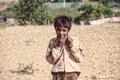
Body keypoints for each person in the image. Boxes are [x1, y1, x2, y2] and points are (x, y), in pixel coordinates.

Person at [46, 15, 85, 80]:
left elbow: (80, 59)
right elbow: (50, 60)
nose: (61, 33)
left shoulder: (74, 40)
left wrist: (71, 46)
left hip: (72, 73)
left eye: (64, 30)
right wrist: (59, 46)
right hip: (58, 73)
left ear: (68, 30)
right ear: (55, 29)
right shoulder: (52, 42)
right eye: (58, 30)